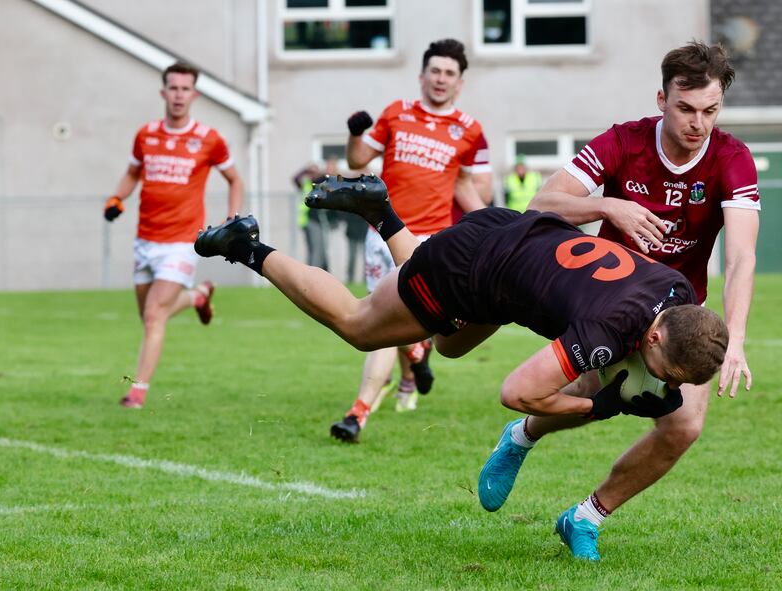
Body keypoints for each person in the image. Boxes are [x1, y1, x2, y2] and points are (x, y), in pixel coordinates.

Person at [193, 177, 728, 519]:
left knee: (448, 347)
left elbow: (620, 326)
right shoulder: (611, 329)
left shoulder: (676, 294)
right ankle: (248, 245)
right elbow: (517, 392)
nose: (670, 385)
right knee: (358, 324)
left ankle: (383, 213)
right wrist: (605, 405)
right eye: (671, 373)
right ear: (654, 335)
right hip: (473, 268)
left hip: (512, 245)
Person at [482, 41, 758, 560]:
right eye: (685, 108)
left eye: (710, 110)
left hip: (677, 314)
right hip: (608, 301)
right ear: (661, 98)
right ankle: (520, 437)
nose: (698, 123)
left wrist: (736, 338)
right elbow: (544, 203)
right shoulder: (622, 142)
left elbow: (743, 255)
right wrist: (610, 205)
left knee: (683, 426)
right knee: (590, 397)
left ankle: (585, 517)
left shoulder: (732, 158)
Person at [333, 38, 492, 442]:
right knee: (380, 318)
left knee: (393, 319)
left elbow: (473, 191)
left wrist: (493, 224)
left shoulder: (470, 131)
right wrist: (355, 133)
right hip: (381, 233)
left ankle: (367, 403)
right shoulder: (396, 113)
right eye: (435, 71)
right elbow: (356, 161)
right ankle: (401, 370)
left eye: (449, 73)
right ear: (422, 75)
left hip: (432, 242)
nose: (441, 79)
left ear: (460, 82)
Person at [104, 61, 244, 409]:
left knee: (154, 315)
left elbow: (235, 180)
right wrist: (116, 197)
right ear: (163, 92)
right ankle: (197, 297)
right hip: (144, 239)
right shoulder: (146, 134)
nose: (179, 95)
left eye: (185, 89)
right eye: (173, 88)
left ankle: (136, 394)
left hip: (182, 242)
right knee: (150, 316)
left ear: (194, 94)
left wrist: (231, 221)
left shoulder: (209, 139)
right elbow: (132, 173)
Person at [292, 158, 339, 271]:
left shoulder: (335, 181)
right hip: (312, 220)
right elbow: (296, 179)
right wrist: (307, 170)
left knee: (321, 250)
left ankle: (323, 274)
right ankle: (312, 275)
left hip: (323, 222)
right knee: (316, 250)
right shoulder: (316, 180)